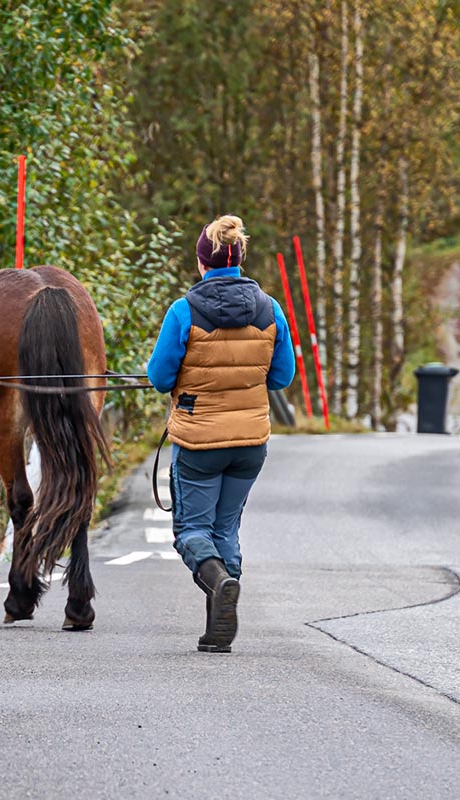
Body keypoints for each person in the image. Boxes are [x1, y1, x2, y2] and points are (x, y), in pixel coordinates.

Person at [146, 215, 295, 653]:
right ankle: (218, 630)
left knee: (192, 530)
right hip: (251, 443)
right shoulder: (271, 309)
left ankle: (220, 584)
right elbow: (282, 375)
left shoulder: (183, 311)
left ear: (201, 262)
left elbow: (158, 376)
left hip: (199, 443)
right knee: (226, 529)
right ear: (240, 258)